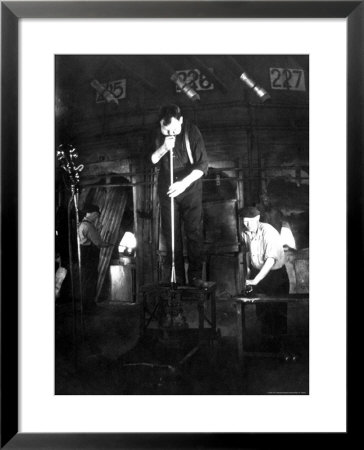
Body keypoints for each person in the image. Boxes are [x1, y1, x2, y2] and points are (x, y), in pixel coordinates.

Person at [150, 104, 208, 288]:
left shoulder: (192, 132)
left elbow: (202, 166)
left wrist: (183, 184)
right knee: (171, 233)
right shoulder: (158, 135)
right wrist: (164, 148)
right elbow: (151, 159)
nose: (170, 133)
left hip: (189, 184)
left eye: (174, 129)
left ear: (181, 121)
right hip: (167, 186)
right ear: (160, 124)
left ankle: (195, 276)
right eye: (166, 129)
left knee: (194, 232)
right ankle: (177, 277)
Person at [239, 206, 289, 341]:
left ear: (257, 219)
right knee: (262, 312)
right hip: (258, 274)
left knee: (277, 314)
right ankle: (265, 347)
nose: (246, 224)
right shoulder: (245, 232)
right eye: (244, 221)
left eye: (249, 221)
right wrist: (248, 272)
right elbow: (247, 254)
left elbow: (270, 261)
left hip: (276, 276)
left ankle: (280, 349)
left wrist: (255, 280)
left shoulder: (268, 232)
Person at [78, 204, 113, 309]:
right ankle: (89, 304)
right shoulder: (88, 226)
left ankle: (86, 303)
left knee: (86, 280)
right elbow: (98, 243)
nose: (97, 218)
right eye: (97, 215)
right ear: (93, 214)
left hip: (84, 256)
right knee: (91, 280)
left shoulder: (82, 224)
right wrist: (109, 244)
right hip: (90, 257)